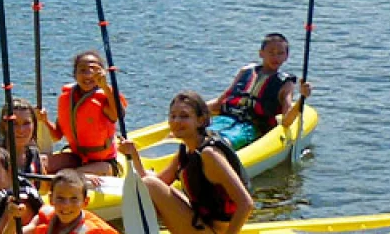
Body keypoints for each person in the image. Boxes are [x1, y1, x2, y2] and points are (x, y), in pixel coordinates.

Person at [128, 91, 253, 234]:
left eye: (184, 116)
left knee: (150, 183)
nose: (176, 121)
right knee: (150, 183)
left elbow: (246, 203)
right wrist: (133, 155)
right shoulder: (187, 149)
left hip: (216, 231)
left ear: (201, 120)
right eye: (173, 116)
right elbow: (158, 183)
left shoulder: (210, 155)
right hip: (202, 223)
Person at [206, 33, 312, 149]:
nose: (275, 57)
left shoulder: (286, 84)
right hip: (226, 117)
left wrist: (302, 98)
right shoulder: (246, 71)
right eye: (271, 52)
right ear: (261, 53)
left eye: (280, 53)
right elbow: (220, 101)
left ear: (286, 56)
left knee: (220, 142)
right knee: (201, 134)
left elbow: (286, 121)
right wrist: (195, 107)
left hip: (251, 127)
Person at [44, 51, 125, 176]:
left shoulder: (105, 98)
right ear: (75, 74)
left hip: (104, 163)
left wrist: (105, 87)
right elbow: (57, 136)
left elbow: (117, 115)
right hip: (76, 157)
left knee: (69, 177)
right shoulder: (67, 98)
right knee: (41, 163)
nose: (88, 74)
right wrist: (44, 120)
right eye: (82, 70)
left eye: (93, 70)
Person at [22, 170, 116, 234]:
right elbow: (27, 229)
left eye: (74, 199)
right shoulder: (46, 214)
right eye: (60, 198)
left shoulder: (93, 231)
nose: (66, 205)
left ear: (85, 202)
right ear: (51, 199)